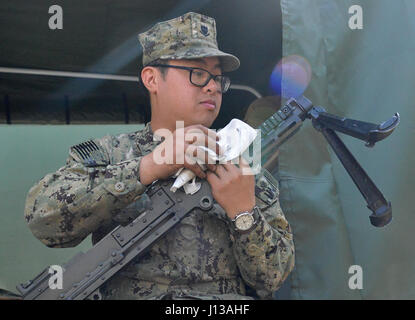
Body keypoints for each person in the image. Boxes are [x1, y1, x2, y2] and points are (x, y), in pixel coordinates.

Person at [24, 12, 294, 300]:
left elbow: (273, 277)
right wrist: (148, 167)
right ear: (152, 79)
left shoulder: (240, 164)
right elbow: (44, 220)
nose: (213, 86)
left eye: (218, 77)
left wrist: (243, 213)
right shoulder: (111, 155)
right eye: (198, 73)